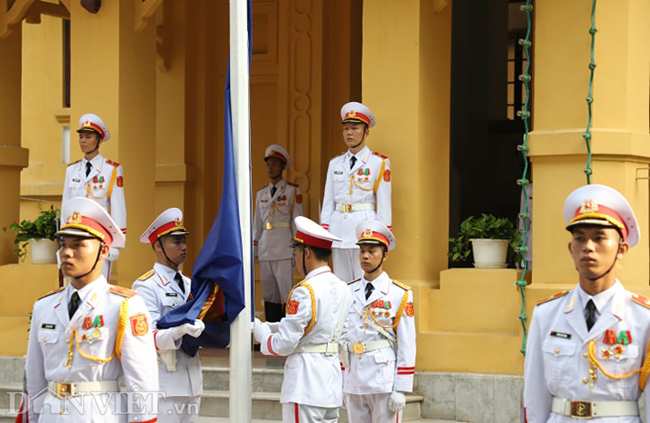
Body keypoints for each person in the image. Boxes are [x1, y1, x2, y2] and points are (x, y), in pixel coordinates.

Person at [24, 197, 158, 422]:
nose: (66, 252)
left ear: (103, 250)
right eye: (63, 244)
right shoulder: (44, 306)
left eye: (78, 245)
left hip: (98, 413)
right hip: (51, 414)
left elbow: (142, 379)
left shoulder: (123, 305)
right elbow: (35, 376)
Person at [523, 184, 650, 422]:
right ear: (571, 249)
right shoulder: (547, 313)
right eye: (580, 239)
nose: (588, 247)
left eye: (599, 238)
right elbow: (534, 395)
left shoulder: (643, 318)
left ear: (621, 250)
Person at [253, 216, 351, 423]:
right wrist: (272, 326)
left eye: (295, 252)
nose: (295, 259)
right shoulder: (344, 287)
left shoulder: (304, 291)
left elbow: (285, 344)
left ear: (306, 253)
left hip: (305, 384)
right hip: (331, 384)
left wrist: (262, 336)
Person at [132, 208, 205, 423]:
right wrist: (178, 331)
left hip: (192, 381)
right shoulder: (147, 286)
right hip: (165, 382)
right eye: (176, 242)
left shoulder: (191, 284)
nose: (183, 247)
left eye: (184, 241)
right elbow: (147, 337)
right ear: (158, 246)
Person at [343, 220, 416, 423]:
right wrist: (341, 382)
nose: (365, 256)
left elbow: (408, 343)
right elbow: (342, 338)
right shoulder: (348, 291)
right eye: (362, 251)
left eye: (372, 251)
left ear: (384, 255)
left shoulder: (398, 293)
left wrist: (401, 388)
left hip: (383, 379)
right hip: (354, 378)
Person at [320, 102, 392, 282]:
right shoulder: (335, 164)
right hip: (338, 230)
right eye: (346, 129)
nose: (349, 133)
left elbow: (384, 203)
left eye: (354, 128)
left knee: (364, 281)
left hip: (364, 228)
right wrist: (324, 233)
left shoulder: (378, 163)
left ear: (366, 132)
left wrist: (382, 236)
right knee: (341, 283)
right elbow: (328, 201)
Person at [62, 113, 126, 280]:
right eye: (81, 137)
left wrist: (116, 243)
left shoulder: (111, 169)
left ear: (99, 140)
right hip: (75, 234)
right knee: (75, 285)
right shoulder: (72, 170)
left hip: (100, 236)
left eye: (88, 137)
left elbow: (118, 207)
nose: (83, 141)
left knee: (99, 284)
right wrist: (62, 240)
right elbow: (66, 206)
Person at [253, 144, 304, 322]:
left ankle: (288, 331)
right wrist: (255, 246)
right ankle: (272, 332)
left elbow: (297, 221)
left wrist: (296, 247)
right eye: (268, 163)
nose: (270, 167)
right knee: (269, 293)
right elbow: (257, 223)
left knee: (286, 292)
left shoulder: (291, 191)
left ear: (282, 166)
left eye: (274, 163)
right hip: (266, 247)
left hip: (284, 248)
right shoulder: (261, 194)